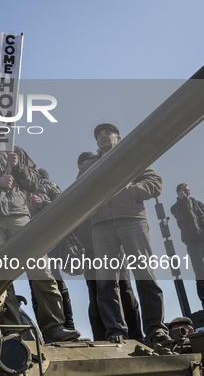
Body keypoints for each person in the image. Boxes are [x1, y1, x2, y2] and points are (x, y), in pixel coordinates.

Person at [0, 147, 80, 343]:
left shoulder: (18, 153)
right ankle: (10, 331)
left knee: (42, 270)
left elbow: (34, 181)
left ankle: (54, 327)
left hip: (19, 214)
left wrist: (18, 167)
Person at [78, 123, 171, 345]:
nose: (102, 136)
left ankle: (156, 330)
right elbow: (79, 192)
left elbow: (155, 183)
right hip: (101, 225)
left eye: (107, 133)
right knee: (106, 282)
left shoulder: (132, 155)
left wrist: (129, 192)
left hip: (132, 220)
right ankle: (115, 331)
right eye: (98, 135)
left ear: (118, 138)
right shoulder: (89, 165)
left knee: (145, 275)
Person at [76, 152, 143, 342]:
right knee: (98, 296)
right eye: (85, 164)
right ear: (80, 166)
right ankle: (102, 338)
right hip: (90, 252)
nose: (89, 165)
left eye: (92, 162)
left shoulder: (103, 183)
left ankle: (136, 335)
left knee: (125, 291)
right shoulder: (79, 188)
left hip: (112, 247)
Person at [26, 169, 75, 331]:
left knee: (56, 280)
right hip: (30, 240)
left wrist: (42, 204)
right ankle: (48, 331)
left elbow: (64, 205)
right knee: (36, 285)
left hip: (49, 238)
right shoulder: (20, 188)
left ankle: (68, 325)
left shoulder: (47, 185)